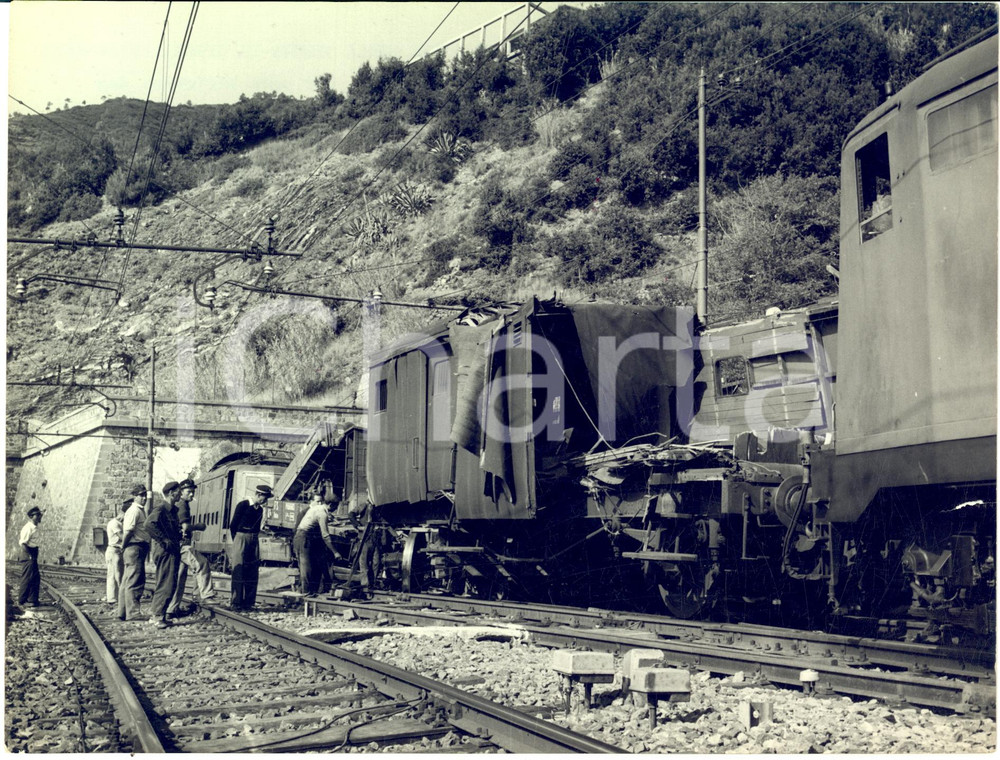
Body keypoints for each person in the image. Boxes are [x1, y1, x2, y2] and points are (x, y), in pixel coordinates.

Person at [168, 478, 216, 617]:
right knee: (202, 563)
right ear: (181, 492)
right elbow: (185, 526)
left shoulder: (182, 504)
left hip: (180, 545)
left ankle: (171, 609)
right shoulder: (183, 505)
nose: (191, 495)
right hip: (183, 545)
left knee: (179, 579)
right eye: (189, 492)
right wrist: (198, 527)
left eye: (193, 492)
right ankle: (206, 595)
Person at [144, 481, 182, 629]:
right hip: (166, 550)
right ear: (172, 493)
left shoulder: (172, 510)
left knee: (167, 582)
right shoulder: (161, 508)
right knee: (167, 583)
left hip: (171, 549)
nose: (180, 494)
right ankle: (158, 616)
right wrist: (164, 540)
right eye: (178, 491)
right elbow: (148, 524)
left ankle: (158, 614)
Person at [228, 484, 272, 611]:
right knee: (239, 569)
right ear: (258, 495)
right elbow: (233, 525)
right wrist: (237, 541)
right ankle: (236, 602)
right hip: (241, 537)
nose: (266, 500)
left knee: (252, 570)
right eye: (265, 497)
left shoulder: (260, 510)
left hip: (254, 539)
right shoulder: (243, 505)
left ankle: (249, 602)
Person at [293, 492, 341, 596]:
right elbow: (325, 535)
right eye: (335, 506)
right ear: (331, 505)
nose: (335, 509)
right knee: (307, 569)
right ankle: (305, 595)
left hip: (306, 538)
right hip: (303, 538)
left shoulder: (317, 508)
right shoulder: (322, 513)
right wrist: (335, 552)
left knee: (311, 567)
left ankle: (310, 593)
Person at [118, 484, 150, 622]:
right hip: (135, 547)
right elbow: (129, 531)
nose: (144, 498)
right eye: (141, 495)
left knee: (127, 580)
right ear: (135, 496)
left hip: (135, 548)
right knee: (135, 581)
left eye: (144, 495)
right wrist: (123, 545)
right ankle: (133, 613)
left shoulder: (137, 510)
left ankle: (123, 611)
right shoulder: (135, 511)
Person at [17, 506, 43, 608]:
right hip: (28, 553)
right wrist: (29, 556)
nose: (40, 517)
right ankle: (22, 601)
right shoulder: (28, 528)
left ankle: (32, 600)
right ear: (32, 517)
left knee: (35, 578)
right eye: (38, 515)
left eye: (40, 515)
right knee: (27, 577)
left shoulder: (34, 527)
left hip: (33, 552)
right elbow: (23, 543)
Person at [104, 498, 129, 605]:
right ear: (122, 513)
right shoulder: (115, 524)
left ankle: (115, 598)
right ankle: (114, 598)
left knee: (116, 574)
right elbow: (122, 537)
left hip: (117, 551)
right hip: (114, 550)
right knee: (115, 575)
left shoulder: (119, 523)